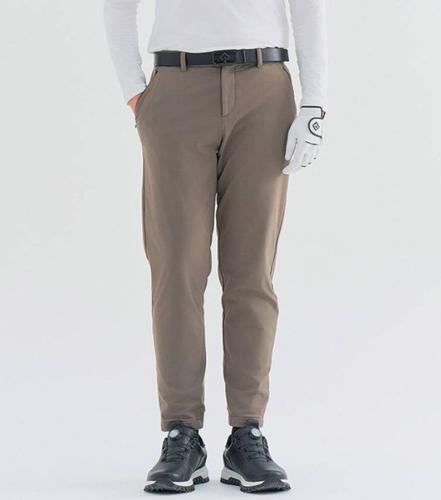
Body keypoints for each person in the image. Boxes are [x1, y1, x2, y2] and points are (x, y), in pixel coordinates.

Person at [104, 0, 327, 493]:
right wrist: (135, 92)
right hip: (175, 89)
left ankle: (247, 433)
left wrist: (315, 101)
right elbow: (117, 6)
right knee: (176, 270)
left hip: (265, 89)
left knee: (252, 272)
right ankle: (181, 433)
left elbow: (308, 6)